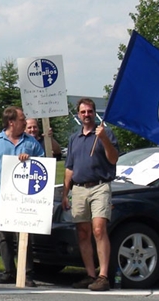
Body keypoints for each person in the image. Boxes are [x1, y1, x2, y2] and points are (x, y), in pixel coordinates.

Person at [0, 106, 44, 287]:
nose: (25, 122)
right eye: (22, 119)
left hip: (25, 197)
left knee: (24, 235)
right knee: (4, 236)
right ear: (11, 122)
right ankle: (9, 271)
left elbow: (43, 165)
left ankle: (27, 274)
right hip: (1, 197)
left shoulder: (31, 143)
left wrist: (31, 160)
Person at [61, 98, 119, 291]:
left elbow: (113, 159)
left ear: (95, 113)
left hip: (99, 186)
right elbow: (69, 168)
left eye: (90, 111)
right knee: (83, 232)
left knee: (99, 229)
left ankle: (103, 276)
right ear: (78, 115)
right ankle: (90, 274)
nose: (86, 115)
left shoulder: (105, 133)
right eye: (83, 112)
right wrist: (65, 193)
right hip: (78, 189)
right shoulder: (74, 138)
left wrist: (103, 138)